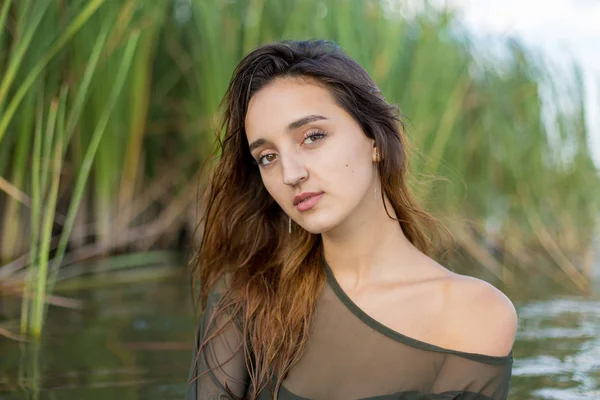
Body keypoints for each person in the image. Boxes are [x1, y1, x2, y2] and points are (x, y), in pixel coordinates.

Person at [186, 39, 518, 400]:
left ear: (374, 138)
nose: (290, 173)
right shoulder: (246, 295)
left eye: (312, 137)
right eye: (267, 157)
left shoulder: (475, 314)